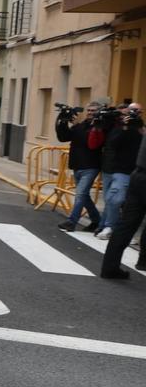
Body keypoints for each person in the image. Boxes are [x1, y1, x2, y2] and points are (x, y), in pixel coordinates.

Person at [100, 105, 146, 279]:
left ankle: (109, 267)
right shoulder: (131, 129)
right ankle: (143, 261)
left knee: (126, 225)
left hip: (138, 176)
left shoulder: (140, 130)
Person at [55, 100, 106, 232]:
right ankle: (96, 221)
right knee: (84, 196)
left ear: (99, 112)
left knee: (80, 194)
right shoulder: (81, 125)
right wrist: (62, 121)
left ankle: (71, 222)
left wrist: (76, 125)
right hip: (77, 164)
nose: (90, 113)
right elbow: (64, 137)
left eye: (93, 111)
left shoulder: (100, 126)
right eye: (88, 110)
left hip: (91, 165)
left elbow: (90, 142)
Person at [94, 102, 142, 239]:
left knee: (124, 201)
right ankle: (108, 226)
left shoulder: (140, 127)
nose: (135, 113)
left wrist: (138, 126)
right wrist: (125, 127)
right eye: (132, 111)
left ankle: (113, 227)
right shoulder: (120, 127)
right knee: (113, 199)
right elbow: (113, 143)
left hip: (134, 170)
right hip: (119, 169)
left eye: (138, 111)